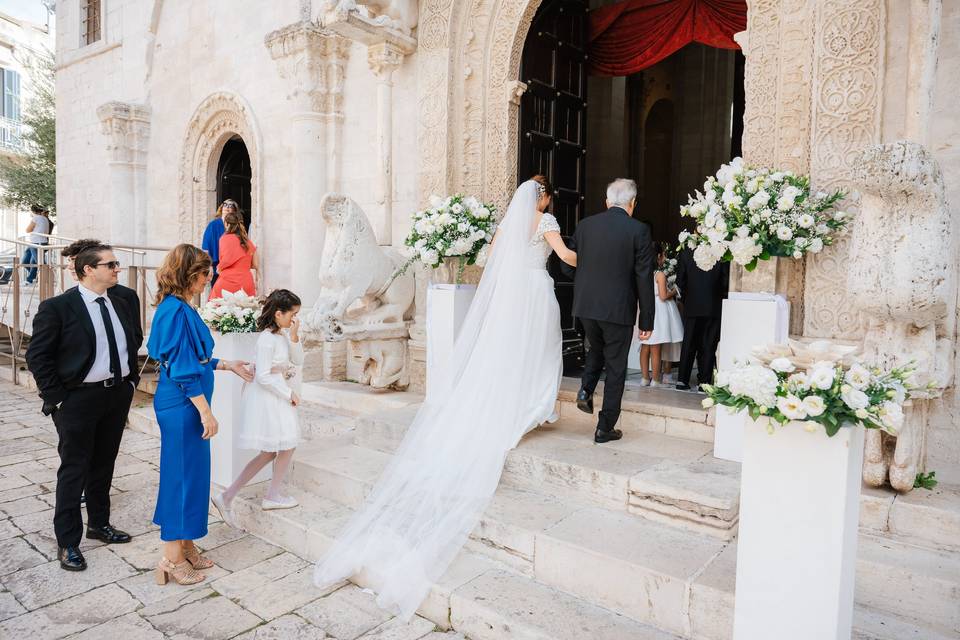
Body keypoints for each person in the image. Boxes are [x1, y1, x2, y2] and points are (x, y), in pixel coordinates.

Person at [314, 176, 576, 619]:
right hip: (535, 292)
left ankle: (516, 405)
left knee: (510, 354)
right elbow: (565, 255)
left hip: (512, 296)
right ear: (546, 196)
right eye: (548, 193)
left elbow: (494, 259)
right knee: (541, 352)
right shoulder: (546, 217)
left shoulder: (509, 226)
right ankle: (534, 408)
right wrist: (587, 257)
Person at [26, 242, 142, 572]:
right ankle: (67, 542)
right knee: (74, 468)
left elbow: (132, 339)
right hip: (77, 399)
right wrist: (58, 398)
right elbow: (38, 356)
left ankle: (99, 524)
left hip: (116, 394)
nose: (117, 269)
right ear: (88, 270)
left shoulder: (123, 299)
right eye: (111, 264)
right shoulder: (58, 307)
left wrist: (130, 382)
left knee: (104, 463)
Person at [148, 244, 252, 585]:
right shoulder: (175, 311)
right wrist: (206, 413)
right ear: (191, 275)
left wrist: (227, 364)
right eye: (206, 273)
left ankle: (187, 542)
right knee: (180, 478)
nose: (211, 278)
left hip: (186, 403)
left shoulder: (181, 307)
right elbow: (182, 369)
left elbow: (195, 358)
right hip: (182, 406)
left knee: (194, 476)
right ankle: (171, 559)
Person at [563, 178, 655, 443]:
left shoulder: (585, 226)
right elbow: (643, 277)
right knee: (616, 368)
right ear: (633, 203)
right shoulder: (638, 230)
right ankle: (605, 427)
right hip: (617, 309)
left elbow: (568, 266)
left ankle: (585, 389)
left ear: (607, 202)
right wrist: (647, 318)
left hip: (585, 306)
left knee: (597, 348)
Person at [213, 289, 304, 520]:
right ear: (278, 314)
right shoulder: (266, 339)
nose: (295, 319)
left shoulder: (282, 335)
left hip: (276, 394)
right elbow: (263, 376)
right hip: (268, 397)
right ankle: (267, 495)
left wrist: (294, 336)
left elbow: (298, 360)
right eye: (292, 314)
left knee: (278, 448)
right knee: (279, 447)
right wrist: (287, 392)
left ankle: (233, 495)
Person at [674, 245, 729, 391]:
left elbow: (680, 281)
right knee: (708, 344)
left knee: (689, 343)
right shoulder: (721, 252)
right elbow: (725, 282)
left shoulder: (686, 253)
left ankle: (682, 380)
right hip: (713, 305)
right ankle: (704, 382)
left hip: (692, 305)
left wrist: (687, 299)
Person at [639, 242, 683, 387]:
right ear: (659, 256)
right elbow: (663, 296)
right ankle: (656, 380)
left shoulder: (641, 272)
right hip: (659, 311)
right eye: (663, 254)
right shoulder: (660, 274)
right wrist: (674, 291)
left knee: (645, 346)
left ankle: (645, 378)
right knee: (656, 347)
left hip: (646, 308)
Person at [209, 208, 258, 299]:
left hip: (227, 282)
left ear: (226, 224)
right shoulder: (247, 241)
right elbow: (255, 264)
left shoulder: (224, 238)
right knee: (247, 311)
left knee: (217, 310)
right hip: (246, 282)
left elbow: (225, 260)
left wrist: (219, 268)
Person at [201, 200, 235, 287]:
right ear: (221, 207)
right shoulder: (213, 225)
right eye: (225, 204)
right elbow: (206, 247)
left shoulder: (236, 226)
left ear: (234, 210)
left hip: (232, 267)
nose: (227, 207)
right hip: (216, 267)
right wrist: (209, 266)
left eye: (231, 205)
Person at [23, 204, 52, 285]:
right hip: (36, 242)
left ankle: (31, 279)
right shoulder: (45, 219)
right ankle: (36, 276)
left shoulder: (36, 218)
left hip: (37, 243)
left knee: (39, 262)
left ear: (33, 212)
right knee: (25, 261)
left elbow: (27, 230)